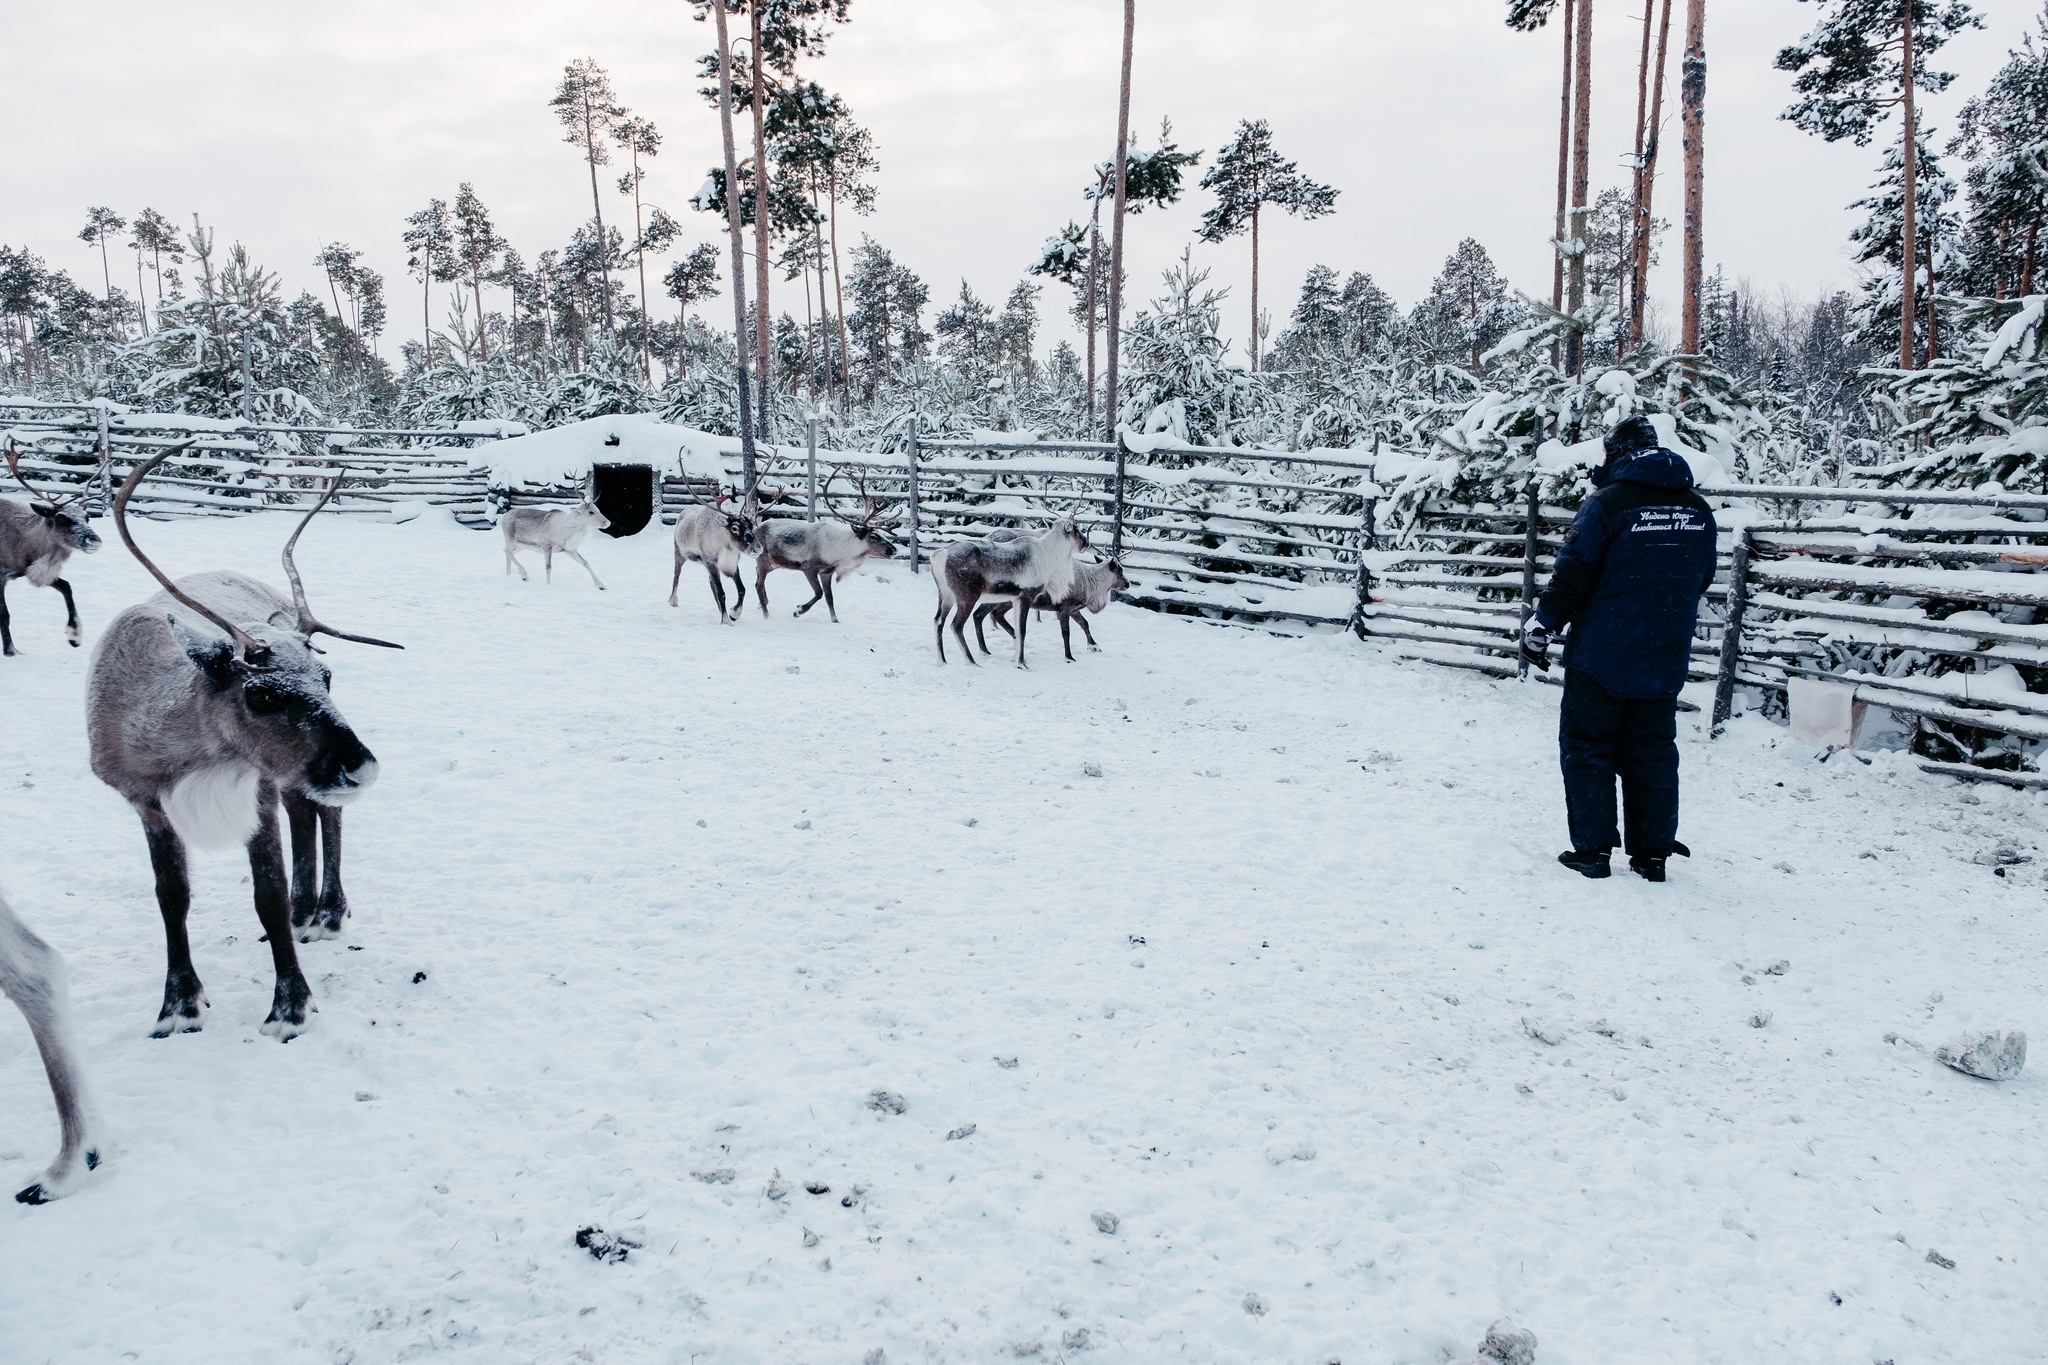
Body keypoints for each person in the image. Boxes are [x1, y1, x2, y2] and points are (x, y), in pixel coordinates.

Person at [1519, 416, 1718, 882]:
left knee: (1589, 747)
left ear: (1616, 454)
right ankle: (1652, 853)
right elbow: (1702, 577)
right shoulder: (1697, 508)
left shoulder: (1609, 504)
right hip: (1664, 655)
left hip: (1602, 653)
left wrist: (1544, 624)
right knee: (1652, 749)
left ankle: (1592, 850)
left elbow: (1575, 571)